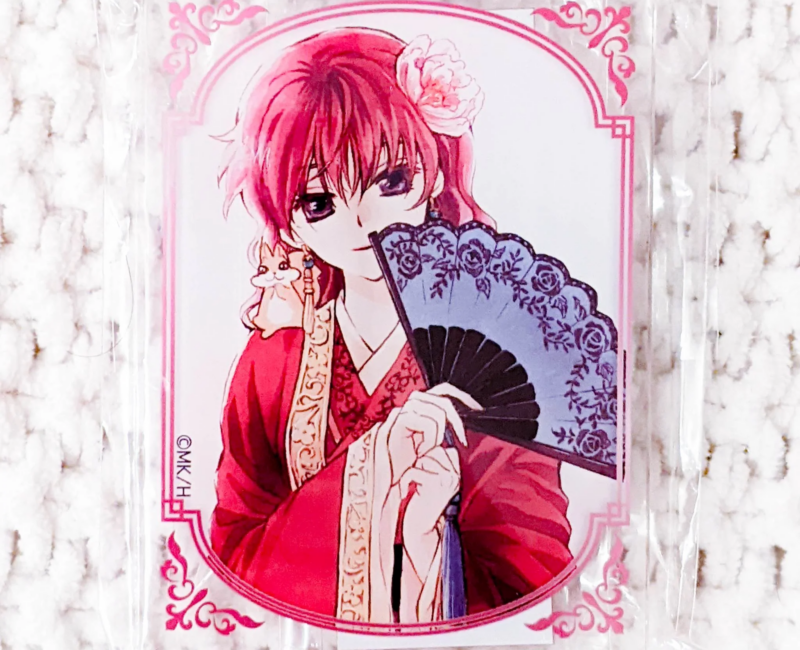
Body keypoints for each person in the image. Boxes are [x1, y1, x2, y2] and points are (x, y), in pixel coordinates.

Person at [211, 27, 573, 624]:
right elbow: (234, 558)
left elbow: (534, 580)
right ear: (287, 223)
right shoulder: (273, 359)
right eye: (318, 203)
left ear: (435, 174)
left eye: (390, 182)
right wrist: (376, 467)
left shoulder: (497, 360)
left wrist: (435, 542)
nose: (361, 222)